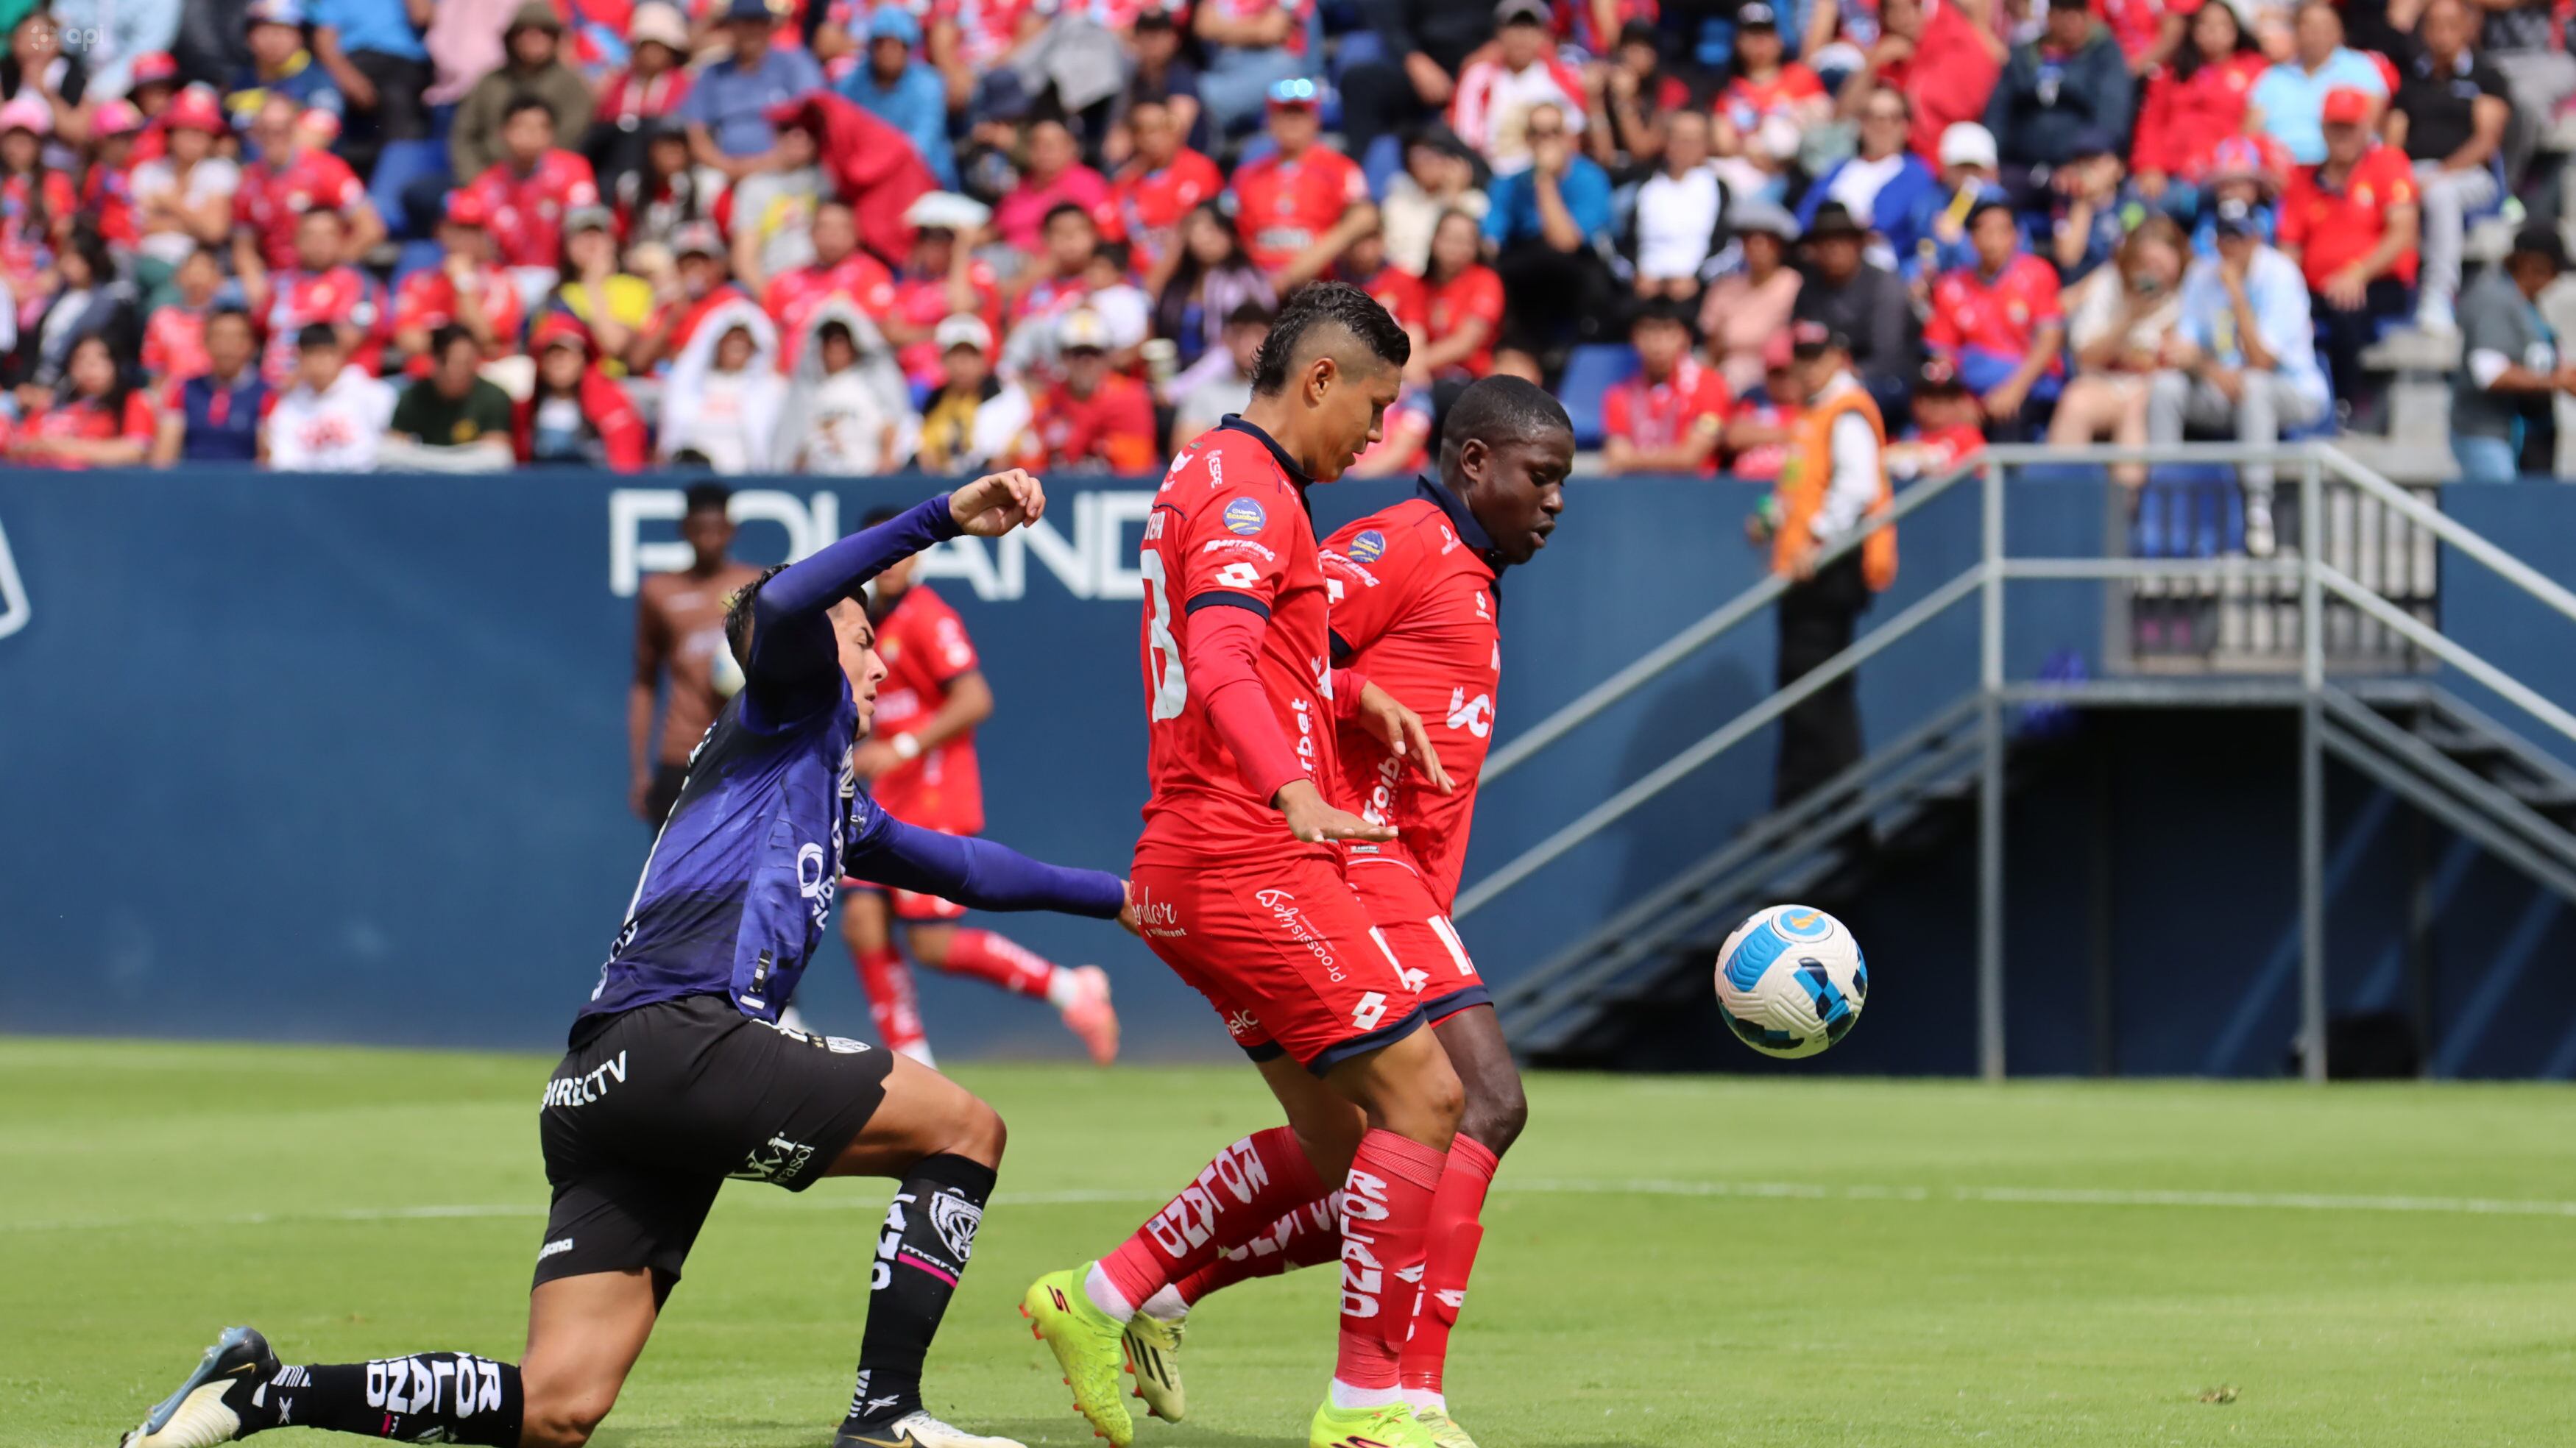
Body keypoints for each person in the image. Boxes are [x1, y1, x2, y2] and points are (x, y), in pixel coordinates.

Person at [116, 475, 1139, 1448]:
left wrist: (1128, 901)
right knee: (966, 1130)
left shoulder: (821, 787)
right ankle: (887, 1412)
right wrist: (948, 516)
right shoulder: (781, 707)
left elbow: (970, 868)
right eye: (866, 640)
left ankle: (257, 1395)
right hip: (682, 1038)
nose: (881, 665)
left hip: (602, 1084)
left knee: (557, 1408)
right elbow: (780, 602)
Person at [1019, 281, 1468, 1448]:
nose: (1378, 434)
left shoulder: (1209, 475)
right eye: (1374, 405)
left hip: (1189, 862)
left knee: (1335, 1145)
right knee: (1430, 1098)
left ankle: (1100, 1300)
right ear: (1318, 379)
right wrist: (1295, 787)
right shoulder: (1248, 487)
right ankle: (1370, 1411)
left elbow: (1252, 643)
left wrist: (1353, 695)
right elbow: (1220, 651)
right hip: (1244, 848)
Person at [1104, 375, 1571, 1448]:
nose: (1553, 503)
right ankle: (1402, 1397)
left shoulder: (1471, 573)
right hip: (1357, 863)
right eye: (1539, 479)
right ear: (1473, 465)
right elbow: (1285, 651)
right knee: (1483, 1103)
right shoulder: (1402, 541)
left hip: (1384, 872)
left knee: (1358, 1155)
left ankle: (1132, 1293)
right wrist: (1357, 697)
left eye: (1563, 486)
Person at [837, 508, 1124, 1068]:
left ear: (916, 556)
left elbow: (975, 699)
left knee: (931, 944)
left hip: (931, 796)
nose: (892, 565)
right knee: (860, 920)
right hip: (880, 797)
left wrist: (899, 748)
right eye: (881, 554)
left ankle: (1071, 990)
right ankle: (912, 1058)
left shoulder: (927, 616)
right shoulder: (865, 623)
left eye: (902, 553)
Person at [1750, 321, 1897, 808]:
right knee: (1818, 690)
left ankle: (1807, 806)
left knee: (1810, 691)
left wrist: (1817, 540)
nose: (1808, 366)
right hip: (1808, 567)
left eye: (1818, 355)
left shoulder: (1846, 410)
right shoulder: (1815, 412)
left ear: (1839, 356)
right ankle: (1832, 808)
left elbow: (1857, 487)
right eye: (1802, 356)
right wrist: (1770, 521)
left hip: (1828, 568)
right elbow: (1801, 485)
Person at [2150, 196, 2329, 556]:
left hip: (2293, 390)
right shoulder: (2201, 275)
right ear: (2214, 239)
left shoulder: (2280, 275)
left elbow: (2262, 360)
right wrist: (2207, 367)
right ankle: (2163, 507)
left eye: (2239, 237)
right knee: (2165, 388)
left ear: (2256, 239)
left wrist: (2235, 293)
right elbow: (2180, 350)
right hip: (2225, 387)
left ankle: (2257, 509)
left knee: (2254, 387)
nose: (2231, 246)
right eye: (2224, 237)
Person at [2276, 85, 2417, 423]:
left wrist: (2357, 273)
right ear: (2323, 129)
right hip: (2316, 287)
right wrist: (2289, 293)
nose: (2343, 135)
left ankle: (2346, 405)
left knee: (2345, 306)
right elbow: (2289, 248)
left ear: (2366, 128)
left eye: (2350, 126)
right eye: (2335, 126)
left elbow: (2403, 233)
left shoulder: (2387, 164)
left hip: (2377, 282)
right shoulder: (2303, 178)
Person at [629, 483, 764, 827]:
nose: (709, 540)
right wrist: (640, 769)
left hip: (742, 747)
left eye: (717, 530)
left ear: (731, 530)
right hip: (682, 753)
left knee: (738, 873)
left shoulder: (754, 584)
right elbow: (645, 680)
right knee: (673, 877)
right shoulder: (659, 592)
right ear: (684, 530)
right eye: (700, 530)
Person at [2387, 0, 2509, 336]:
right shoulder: (2411, 80)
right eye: (2434, 25)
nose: (2442, 34)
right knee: (2383, 193)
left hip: (2467, 177)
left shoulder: (2486, 76)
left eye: (2451, 25)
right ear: (2423, 32)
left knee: (2440, 195)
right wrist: (2396, 179)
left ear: (2468, 28)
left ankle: (2438, 294)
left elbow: (2487, 142)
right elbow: (2393, 140)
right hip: (2415, 174)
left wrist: (2441, 173)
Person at [2048, 215, 2186, 488]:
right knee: (2076, 401)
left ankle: (2125, 518)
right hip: (2108, 386)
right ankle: (2061, 505)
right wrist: (2129, 319)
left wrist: (2136, 358)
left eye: (2161, 265)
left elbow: (2171, 360)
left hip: (2158, 393)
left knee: (2137, 411)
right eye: (2146, 264)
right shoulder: (2108, 281)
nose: (2153, 273)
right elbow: (2085, 356)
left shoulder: (2191, 289)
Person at [1481, 101, 1611, 372]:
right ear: (1527, 139)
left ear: (1569, 137)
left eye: (1554, 132)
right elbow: (1490, 241)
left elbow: (1566, 241)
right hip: (1526, 271)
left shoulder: (1591, 178)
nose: (1546, 141)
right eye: (1538, 133)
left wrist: (1545, 179)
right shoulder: (1509, 183)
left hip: (1573, 269)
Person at [1925, 196, 2067, 437]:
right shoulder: (1950, 286)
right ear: (1972, 238)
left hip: (2028, 387)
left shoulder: (2037, 274)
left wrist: (2014, 390)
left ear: (2016, 236)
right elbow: (1942, 352)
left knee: (2008, 419)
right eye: (1984, 231)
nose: (1992, 240)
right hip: (1970, 390)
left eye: (2001, 231)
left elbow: (2049, 339)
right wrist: (1960, 399)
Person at [2449, 224, 2576, 483]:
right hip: (2490, 438)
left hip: (2525, 442)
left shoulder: (2524, 303)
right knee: (2498, 519)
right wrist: (2557, 381)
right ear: (2532, 265)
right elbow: (2489, 372)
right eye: (2552, 271)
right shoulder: (2494, 300)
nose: (2555, 280)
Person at [1231, 77, 1378, 288]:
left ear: (1315, 119)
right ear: (1270, 121)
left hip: (1321, 286)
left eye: (1299, 114)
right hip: (1253, 289)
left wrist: (1293, 274)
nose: (1292, 122)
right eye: (1284, 115)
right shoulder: (1247, 175)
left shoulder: (1341, 169)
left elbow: (1366, 218)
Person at [2130, 0, 2268, 210]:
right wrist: (2150, 166)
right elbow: (2151, 123)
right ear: (2193, 31)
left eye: (2222, 25)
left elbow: (2259, 122)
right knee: (2134, 200)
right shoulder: (2172, 74)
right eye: (2205, 25)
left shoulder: (2254, 68)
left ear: (2235, 30)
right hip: (2173, 175)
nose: (2213, 32)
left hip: (2224, 176)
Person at [1791, 201, 1920, 423]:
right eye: (1824, 241)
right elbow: (1799, 345)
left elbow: (1888, 357)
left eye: (1842, 239)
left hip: (1889, 383)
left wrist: (1838, 374)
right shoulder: (1809, 288)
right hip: (1821, 378)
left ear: (1858, 244)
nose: (1833, 247)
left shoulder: (1884, 284)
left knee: (1843, 396)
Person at [1984, 0, 2134, 185]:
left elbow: (2111, 115)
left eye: (2078, 12)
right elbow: (1998, 113)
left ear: (2089, 16)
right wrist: (1989, 158)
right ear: (2049, 17)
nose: (2071, 19)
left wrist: (2085, 160)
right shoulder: (2022, 56)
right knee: (1987, 200)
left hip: (2078, 168)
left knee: (2087, 190)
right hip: (2020, 167)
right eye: (2063, 12)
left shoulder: (2104, 56)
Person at [450, 2, 595, 184]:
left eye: (543, 31)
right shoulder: (490, 82)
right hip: (486, 178)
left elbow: (570, 140)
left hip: (548, 183)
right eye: (524, 31)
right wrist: (476, 180)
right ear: (511, 38)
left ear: (555, 38)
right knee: (422, 195)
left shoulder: (571, 85)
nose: (534, 37)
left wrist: (528, 174)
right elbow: (464, 135)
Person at [461, 93, 603, 274]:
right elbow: (477, 244)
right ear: (503, 132)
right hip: (506, 279)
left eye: (539, 127)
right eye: (521, 127)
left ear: (551, 133)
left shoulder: (573, 170)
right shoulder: (486, 184)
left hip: (562, 279)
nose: (530, 135)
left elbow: (587, 232)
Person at [247, 206, 384, 386]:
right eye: (310, 235)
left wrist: (295, 380)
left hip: (336, 390)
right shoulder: (279, 284)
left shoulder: (361, 285)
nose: (318, 243)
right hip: (274, 390)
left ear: (341, 239)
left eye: (327, 235)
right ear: (296, 240)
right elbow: (257, 330)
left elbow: (349, 339)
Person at [1799, 85, 1938, 263]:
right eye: (1874, 117)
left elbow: (1886, 222)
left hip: (1879, 271)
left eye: (1892, 118)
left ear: (1906, 126)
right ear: (1861, 124)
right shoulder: (1838, 169)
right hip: (1822, 265)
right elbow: (1804, 217)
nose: (1882, 126)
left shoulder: (1916, 173)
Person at [1450, 0, 1587, 177]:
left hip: (1554, 176)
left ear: (1543, 35)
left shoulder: (1565, 77)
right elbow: (1466, 142)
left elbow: (1573, 142)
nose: (1521, 36)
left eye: (1529, 27)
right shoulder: (1479, 77)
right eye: (1514, 27)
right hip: (1492, 178)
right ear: (1499, 34)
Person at [392, 190, 523, 371]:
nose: (465, 238)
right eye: (457, 228)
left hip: (480, 380)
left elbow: (487, 340)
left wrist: (464, 282)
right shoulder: (418, 282)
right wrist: (461, 342)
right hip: (426, 380)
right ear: (440, 231)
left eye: (473, 229)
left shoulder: (501, 282)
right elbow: (406, 340)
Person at [1601, 296, 1731, 474]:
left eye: (1668, 331)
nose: (1657, 343)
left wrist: (1633, 459)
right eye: (1648, 332)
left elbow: (1692, 457)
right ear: (1634, 338)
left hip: (1697, 493)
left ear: (1686, 337)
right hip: (1637, 493)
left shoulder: (1711, 384)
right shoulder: (1619, 394)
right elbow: (1616, 457)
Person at [2247, 1, 2386, 166]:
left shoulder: (2360, 67)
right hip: (2279, 173)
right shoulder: (2273, 77)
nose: (2317, 32)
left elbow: (2370, 123)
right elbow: (2249, 134)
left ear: (2339, 31)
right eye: (2309, 25)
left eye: (2325, 25)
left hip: (2339, 168)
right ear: (2296, 31)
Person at [308, 0, 435, 180]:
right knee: (327, 101)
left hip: (402, 63)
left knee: (398, 100)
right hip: (354, 64)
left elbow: (422, 15)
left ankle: (397, 183)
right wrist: (349, 79)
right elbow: (324, 41)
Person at [1103, 93, 1223, 278]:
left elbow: (1213, 230)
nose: (1152, 136)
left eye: (1161, 127)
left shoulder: (1201, 170)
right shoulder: (1124, 183)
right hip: (1137, 278)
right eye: (1142, 129)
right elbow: (1111, 239)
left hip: (1193, 274)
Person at [782, 309, 915, 473]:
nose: (834, 347)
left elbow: (888, 425)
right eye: (828, 340)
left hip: (861, 476)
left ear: (854, 346)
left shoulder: (868, 384)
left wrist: (886, 459)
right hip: (819, 478)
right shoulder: (811, 390)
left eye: (841, 340)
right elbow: (803, 441)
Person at [1026, 308, 1158, 472]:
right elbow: (1029, 464)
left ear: (1107, 357)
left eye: (1093, 353)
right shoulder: (1048, 401)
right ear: (1062, 357)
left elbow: (1138, 465)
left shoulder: (1130, 397)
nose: (1085, 361)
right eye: (1076, 353)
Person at [657, 308, 786, 473]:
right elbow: (669, 442)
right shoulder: (688, 386)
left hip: (744, 481)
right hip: (693, 476)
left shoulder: (772, 391)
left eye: (744, 339)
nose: (737, 342)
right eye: (730, 338)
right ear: (716, 343)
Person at [1153, 201, 1276, 372]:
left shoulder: (1245, 282)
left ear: (1230, 233)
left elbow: (1241, 347)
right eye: (1195, 228)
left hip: (1227, 382)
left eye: (1212, 228)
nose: (1203, 237)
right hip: (1178, 376)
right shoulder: (1180, 282)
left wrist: (1179, 388)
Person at [516, 313, 648, 469]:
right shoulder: (527, 410)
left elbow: (627, 463)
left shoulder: (610, 404)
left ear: (584, 359)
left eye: (567, 354)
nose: (559, 362)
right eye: (551, 354)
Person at [840, 7, 953, 189]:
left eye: (894, 45)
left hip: (921, 177)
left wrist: (881, 165)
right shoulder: (852, 84)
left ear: (907, 49)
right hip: (865, 175)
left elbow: (921, 145)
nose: (886, 52)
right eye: (880, 44)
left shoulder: (928, 85)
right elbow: (842, 134)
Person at [259, 320, 394, 471]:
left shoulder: (373, 393)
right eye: (312, 354)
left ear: (341, 355)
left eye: (327, 354)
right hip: (309, 488)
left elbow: (394, 448)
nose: (320, 362)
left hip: (364, 484)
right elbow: (283, 463)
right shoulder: (289, 405)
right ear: (300, 359)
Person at [7, 331, 154, 468]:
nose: (90, 366)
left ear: (116, 364)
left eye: (101, 357)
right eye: (80, 358)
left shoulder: (132, 401)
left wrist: (60, 447)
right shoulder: (53, 405)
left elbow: (134, 451)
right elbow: (19, 445)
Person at [1702, 200, 1803, 395]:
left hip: (1777, 377)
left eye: (1766, 242)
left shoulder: (1793, 284)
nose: (1758, 249)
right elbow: (1712, 348)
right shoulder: (1724, 288)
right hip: (1729, 374)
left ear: (1779, 247)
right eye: (1750, 241)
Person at [1624, 108, 1725, 301]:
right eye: (1678, 138)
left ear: (1707, 144)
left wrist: (1699, 280)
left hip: (1698, 292)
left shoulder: (1720, 188)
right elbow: (1620, 242)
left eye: (1693, 140)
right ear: (1666, 142)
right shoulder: (1643, 185)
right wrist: (1635, 276)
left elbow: (1730, 247)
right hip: (1643, 287)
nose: (1684, 147)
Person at [384, 323, 516, 470]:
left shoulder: (494, 396)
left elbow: (496, 456)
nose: (456, 370)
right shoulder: (413, 395)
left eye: (466, 362)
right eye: (447, 361)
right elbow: (393, 449)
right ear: (434, 361)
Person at [914, 313, 1033, 475]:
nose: (961, 364)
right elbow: (923, 451)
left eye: (970, 355)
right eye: (954, 355)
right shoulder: (931, 402)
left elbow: (1002, 458)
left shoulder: (1006, 398)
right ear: (943, 359)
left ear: (984, 359)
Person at [152, 305, 269, 464]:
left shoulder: (266, 394)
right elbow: (164, 457)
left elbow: (267, 458)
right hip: (192, 483)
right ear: (205, 342)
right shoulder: (184, 390)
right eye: (219, 336)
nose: (227, 346)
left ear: (250, 344)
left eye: (235, 337)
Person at [1415, 207, 1504, 383]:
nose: (1456, 247)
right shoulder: (1420, 286)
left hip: (1469, 380)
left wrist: (1415, 363)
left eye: (1465, 241)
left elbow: (1465, 344)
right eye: (1450, 238)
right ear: (1434, 241)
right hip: (1425, 377)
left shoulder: (1486, 280)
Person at [1167, 300, 1271, 451]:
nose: (1246, 342)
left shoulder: (1279, 394)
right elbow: (1183, 451)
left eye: (1256, 333)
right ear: (1226, 338)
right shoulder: (1204, 393)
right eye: (1239, 333)